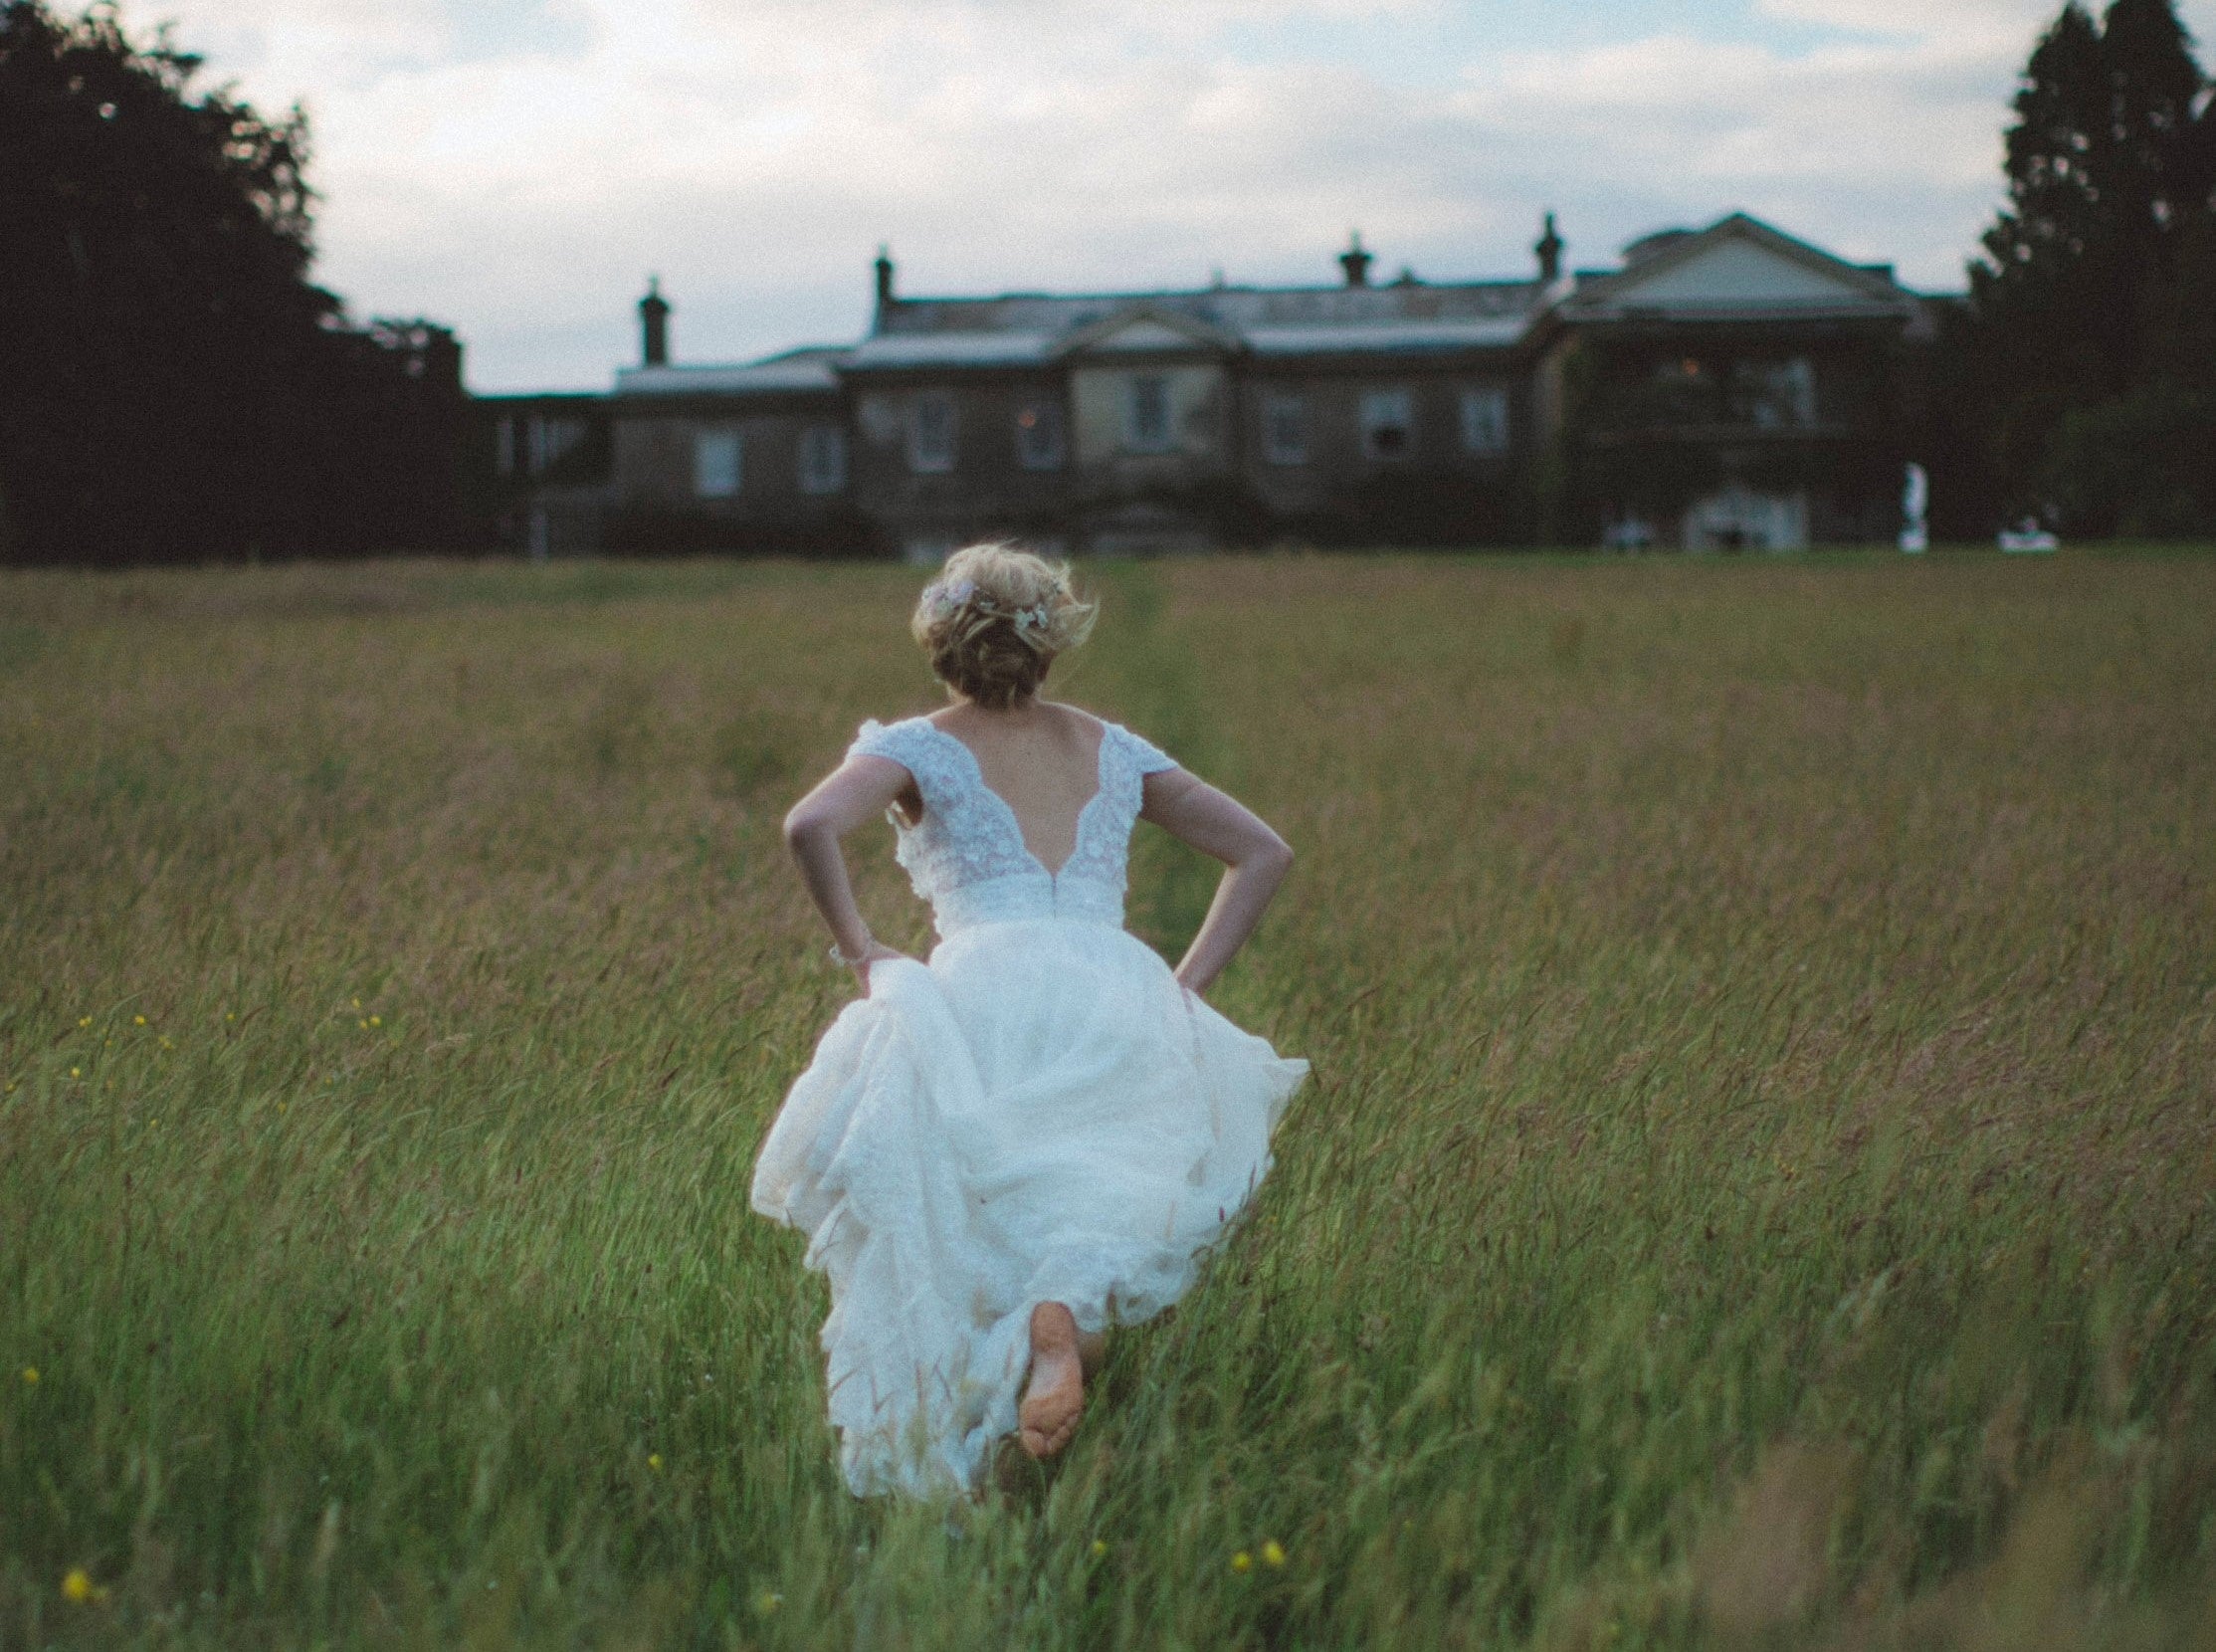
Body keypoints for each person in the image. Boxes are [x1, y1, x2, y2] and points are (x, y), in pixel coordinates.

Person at [750, 542, 1308, 1500]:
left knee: (973, 1206)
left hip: (980, 985)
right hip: (1111, 984)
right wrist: (1183, 987)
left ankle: (987, 1424)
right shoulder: (1111, 746)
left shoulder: (916, 746)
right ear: (1050, 640)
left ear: (942, 639)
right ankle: (1061, 1326)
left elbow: (808, 825)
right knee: (1095, 1195)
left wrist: (862, 952)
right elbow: (1260, 851)